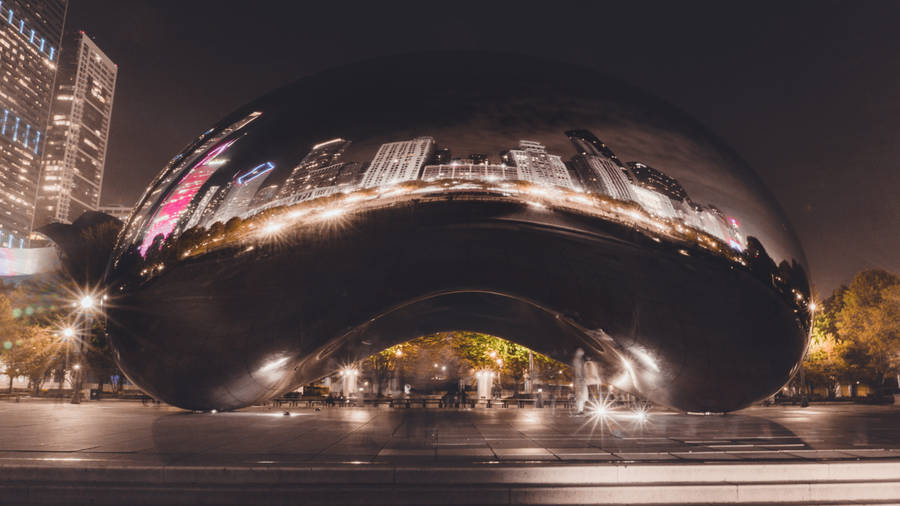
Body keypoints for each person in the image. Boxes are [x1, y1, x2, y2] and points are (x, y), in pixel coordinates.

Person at [572, 348, 588, 414]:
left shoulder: (580, 360)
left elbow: (581, 370)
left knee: (582, 395)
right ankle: (579, 410)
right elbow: (577, 371)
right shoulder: (577, 360)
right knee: (580, 395)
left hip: (581, 379)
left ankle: (580, 409)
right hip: (580, 379)